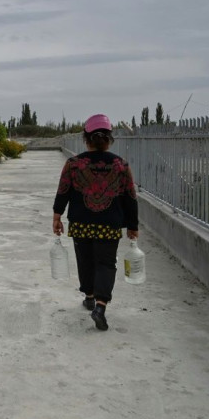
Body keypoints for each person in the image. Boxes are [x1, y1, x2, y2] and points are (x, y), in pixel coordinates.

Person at [52, 114, 139, 331]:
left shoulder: (73, 165)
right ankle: (100, 305)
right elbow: (130, 197)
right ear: (109, 139)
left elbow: (63, 191)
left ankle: (89, 296)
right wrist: (133, 226)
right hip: (109, 225)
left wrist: (57, 216)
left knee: (85, 260)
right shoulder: (121, 165)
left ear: (85, 139)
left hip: (81, 223)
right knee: (106, 264)